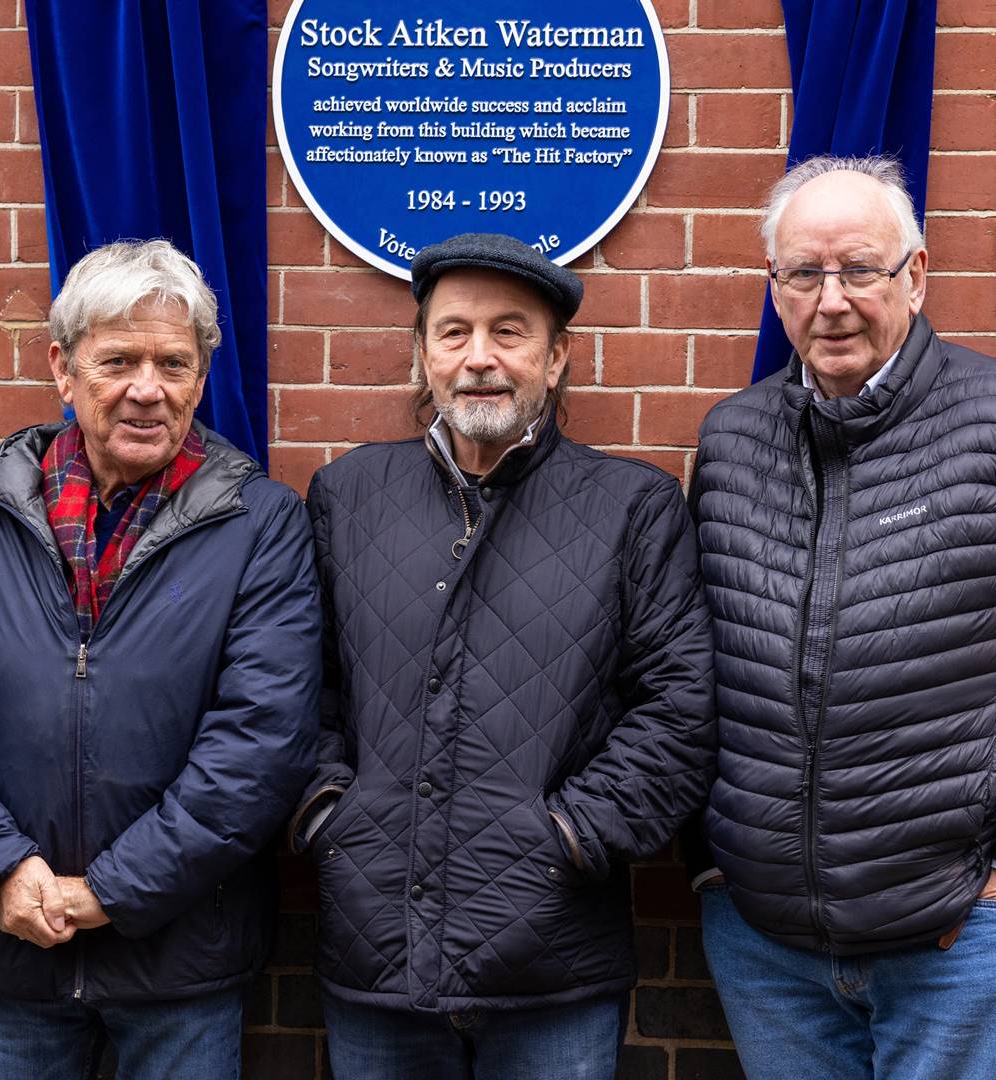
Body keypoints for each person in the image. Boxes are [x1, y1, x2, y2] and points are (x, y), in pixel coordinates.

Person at [688, 156, 996, 1079]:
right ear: (774, 288)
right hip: (767, 942)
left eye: (861, 269)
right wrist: (711, 858)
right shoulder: (730, 441)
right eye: (804, 274)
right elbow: (695, 661)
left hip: (961, 932)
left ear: (917, 275)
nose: (833, 300)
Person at [0, 239, 320, 1079]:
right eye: (118, 359)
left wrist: (112, 892)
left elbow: (260, 747)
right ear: (62, 367)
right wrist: (1, 871)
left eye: (172, 363)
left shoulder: (261, 527)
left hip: (180, 964)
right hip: (20, 956)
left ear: (201, 376)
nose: (146, 388)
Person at [291, 232, 717, 1079]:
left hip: (553, 960)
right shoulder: (348, 495)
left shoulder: (633, 507)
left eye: (509, 333)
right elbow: (301, 688)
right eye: (454, 333)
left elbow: (678, 712)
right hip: (374, 950)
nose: (479, 359)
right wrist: (325, 814)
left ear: (556, 360)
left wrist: (569, 834)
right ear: (423, 357)